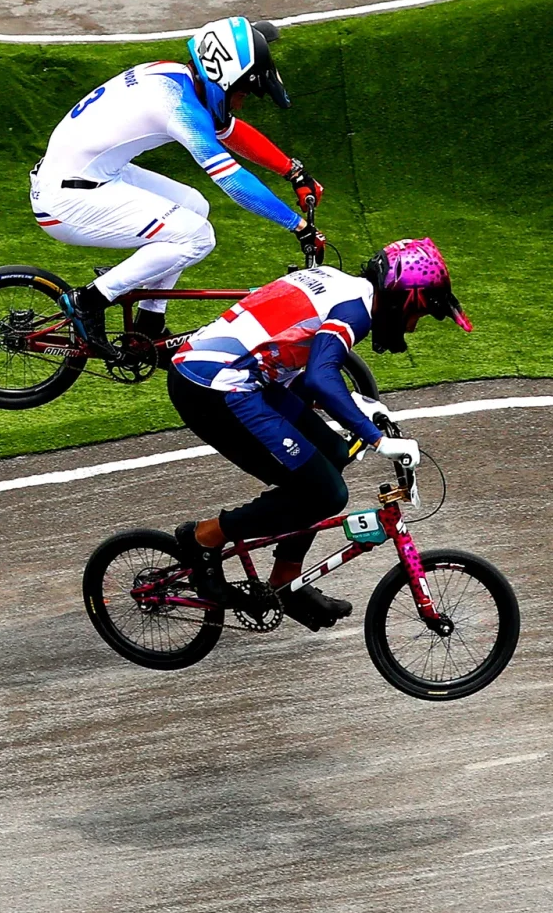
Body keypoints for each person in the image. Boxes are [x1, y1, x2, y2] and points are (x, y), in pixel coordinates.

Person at [166, 238, 472, 630]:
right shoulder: (356, 310)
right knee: (326, 492)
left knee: (333, 453)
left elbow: (302, 375)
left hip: (240, 378)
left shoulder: (341, 285)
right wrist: (377, 440)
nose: (412, 326)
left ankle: (284, 581)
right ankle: (203, 538)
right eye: (418, 315)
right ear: (400, 301)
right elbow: (321, 377)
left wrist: (362, 408)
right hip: (213, 388)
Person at [30, 17, 324, 353]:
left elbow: (230, 130)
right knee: (198, 236)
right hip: (64, 201)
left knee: (195, 205)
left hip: (86, 176)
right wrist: (298, 226)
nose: (240, 101)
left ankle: (150, 321)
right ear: (222, 79)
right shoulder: (178, 108)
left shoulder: (177, 77)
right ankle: (88, 300)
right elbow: (233, 180)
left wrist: (293, 173)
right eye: (241, 91)